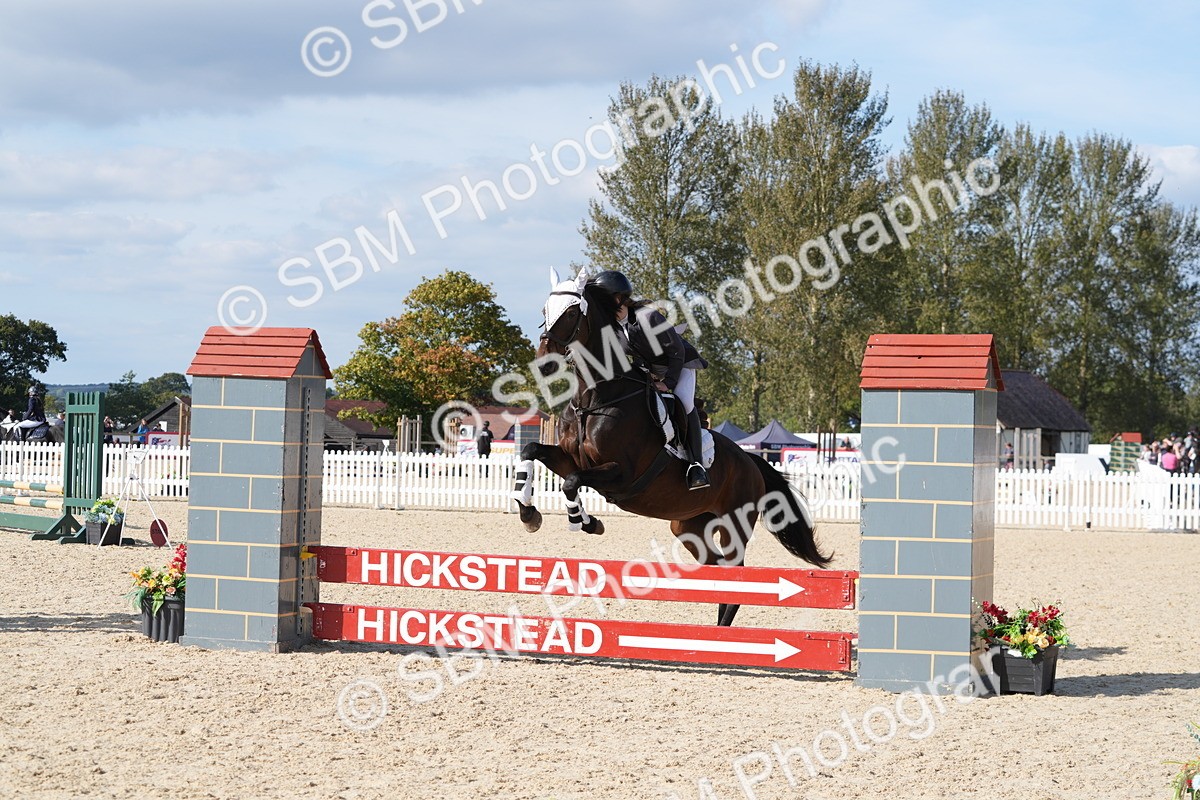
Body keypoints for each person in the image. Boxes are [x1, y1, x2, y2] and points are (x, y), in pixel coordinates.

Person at [587, 270, 710, 490]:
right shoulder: (612, 328)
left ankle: (696, 465)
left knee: (684, 402)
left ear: (617, 299)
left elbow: (677, 351)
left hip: (678, 365)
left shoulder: (648, 317)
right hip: (650, 367)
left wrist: (669, 383)